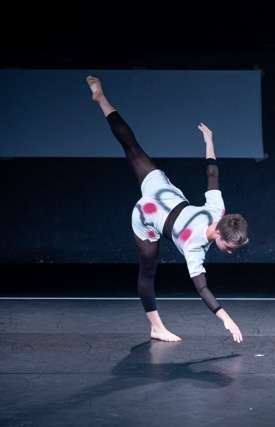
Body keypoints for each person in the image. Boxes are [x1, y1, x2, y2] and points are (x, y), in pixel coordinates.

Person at [86, 75, 248, 343]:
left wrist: (209, 139)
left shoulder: (218, 210)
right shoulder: (194, 248)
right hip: (147, 214)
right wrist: (226, 318)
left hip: (162, 192)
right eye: (229, 247)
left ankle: (101, 99)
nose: (231, 252)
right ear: (219, 234)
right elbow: (202, 288)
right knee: (148, 269)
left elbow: (211, 173)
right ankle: (155, 327)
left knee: (133, 147)